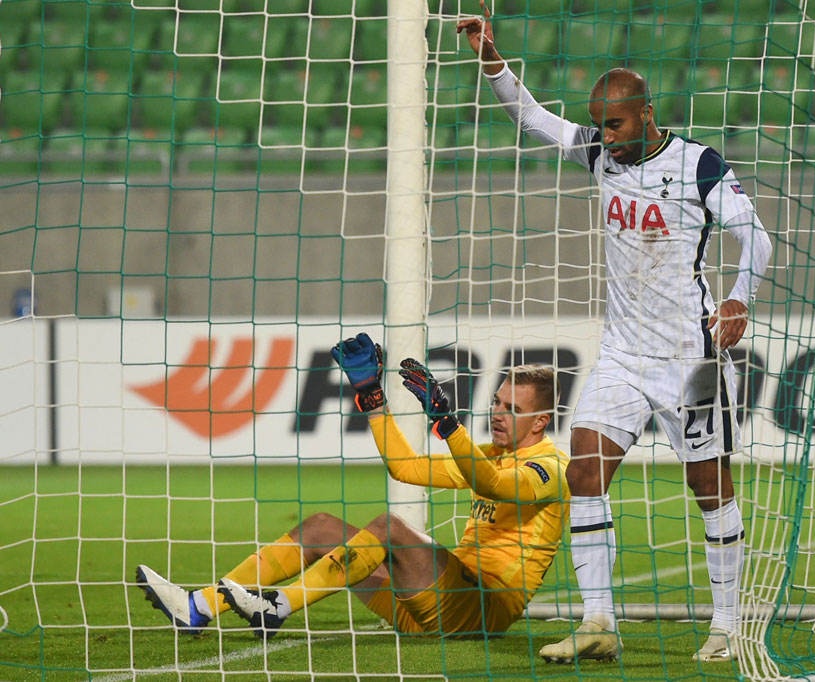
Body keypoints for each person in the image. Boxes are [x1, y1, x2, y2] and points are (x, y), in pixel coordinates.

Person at [457, 5, 773, 664]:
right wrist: (492, 58)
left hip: (693, 356)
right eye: (600, 123)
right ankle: (598, 620)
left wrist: (740, 298)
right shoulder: (600, 152)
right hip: (625, 355)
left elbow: (757, 238)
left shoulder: (699, 165)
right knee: (585, 469)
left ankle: (728, 621)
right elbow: (531, 118)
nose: (606, 135)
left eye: (617, 123)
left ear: (646, 114)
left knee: (708, 484)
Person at [136, 333, 569, 639]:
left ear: (540, 421)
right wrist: (371, 396)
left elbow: (492, 485)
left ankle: (277, 606)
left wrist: (447, 424)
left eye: (511, 408)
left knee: (390, 526)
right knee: (320, 527)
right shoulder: (488, 454)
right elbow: (405, 467)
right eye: (496, 400)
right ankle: (198, 607)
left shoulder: (550, 468)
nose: (496, 412)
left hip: (480, 611)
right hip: (423, 608)